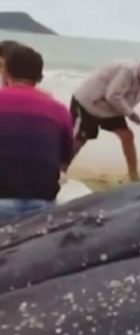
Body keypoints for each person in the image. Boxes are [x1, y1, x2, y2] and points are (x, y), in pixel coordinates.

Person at [0, 45, 73, 225]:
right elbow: (64, 158)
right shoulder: (59, 110)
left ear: (6, 71)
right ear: (40, 77)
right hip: (42, 205)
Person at [70, 53, 140, 181]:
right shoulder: (128, 71)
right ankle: (60, 171)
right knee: (79, 140)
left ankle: (133, 176)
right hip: (89, 104)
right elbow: (112, 95)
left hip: (111, 110)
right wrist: (131, 114)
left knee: (127, 136)